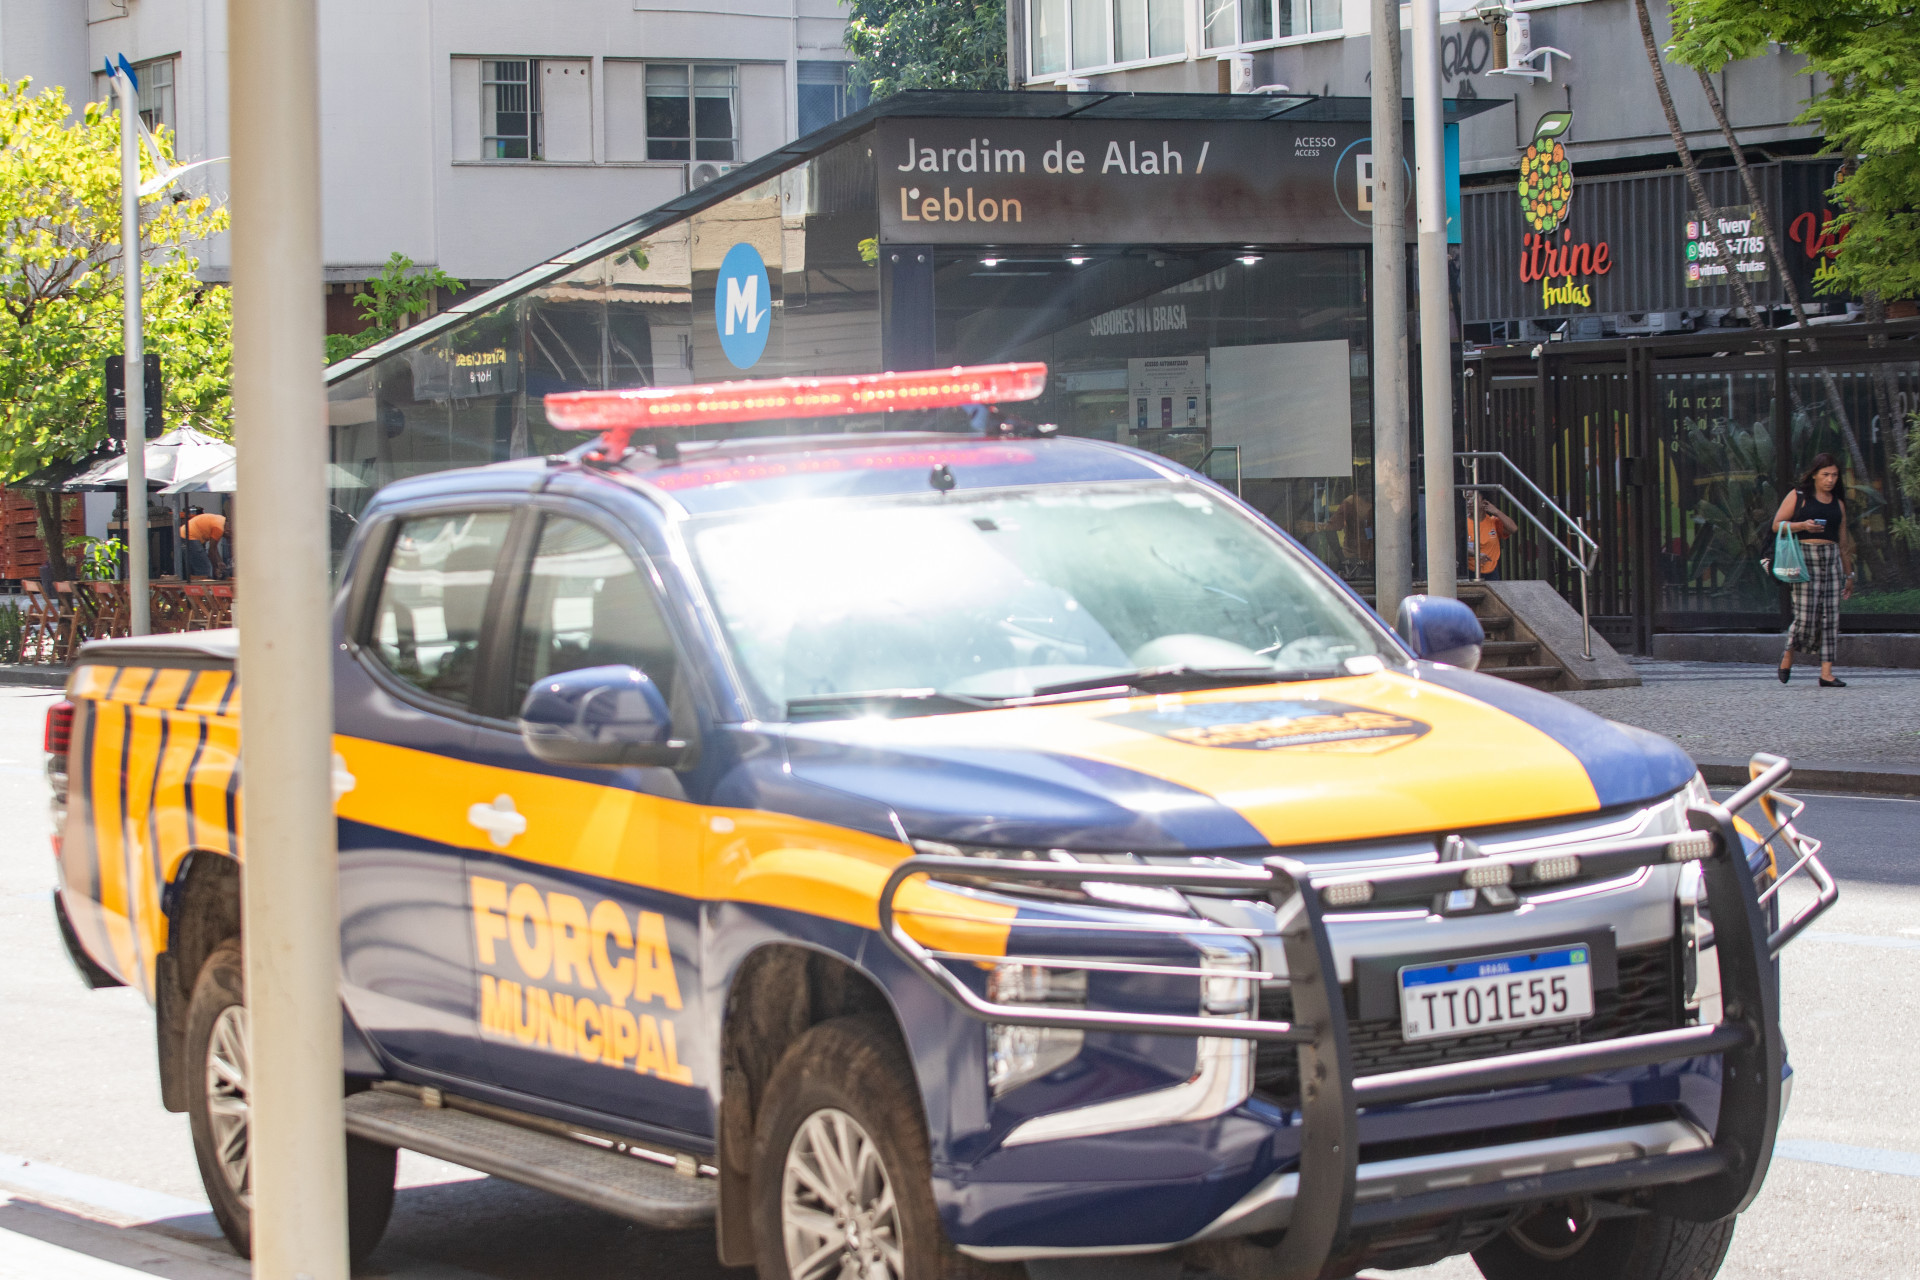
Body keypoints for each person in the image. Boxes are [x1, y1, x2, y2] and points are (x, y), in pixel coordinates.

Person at [1772, 452, 1853, 687]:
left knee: (1830, 616)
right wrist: (1802, 525)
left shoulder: (1838, 504)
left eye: (1835, 475)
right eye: (1826, 474)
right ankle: (1789, 653)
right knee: (1806, 616)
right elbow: (1777, 524)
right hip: (1804, 558)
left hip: (1831, 559)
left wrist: (1849, 575)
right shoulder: (1799, 496)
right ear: (1815, 475)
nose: (1830, 479)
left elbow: (1844, 543)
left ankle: (1826, 672)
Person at [1469, 495, 1520, 580]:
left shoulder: (1493, 521)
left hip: (1491, 571)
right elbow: (1459, 547)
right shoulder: (1462, 523)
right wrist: (1476, 554)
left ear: (1484, 502)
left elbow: (1513, 529)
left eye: (1473, 498)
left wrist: (1496, 511)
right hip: (1469, 571)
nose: (1469, 502)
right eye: (1467, 498)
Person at [180, 506, 228, 580]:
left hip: (186, 533)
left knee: (198, 565)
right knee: (205, 567)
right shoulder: (219, 529)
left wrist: (219, 561)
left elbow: (214, 548)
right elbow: (211, 551)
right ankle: (202, 589)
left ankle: (195, 585)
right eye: (228, 537)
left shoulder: (221, 520)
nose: (225, 538)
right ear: (228, 531)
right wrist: (215, 568)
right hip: (189, 535)